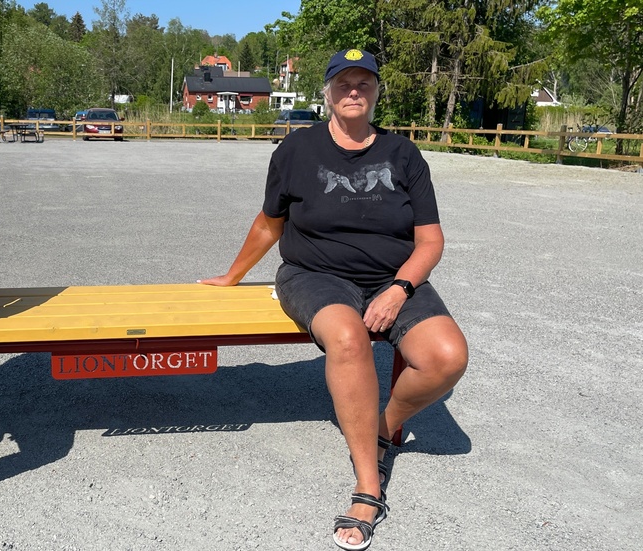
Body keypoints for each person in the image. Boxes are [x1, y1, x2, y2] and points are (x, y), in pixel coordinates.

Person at [200, 49, 467, 551]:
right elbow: (269, 223)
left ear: (376, 92)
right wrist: (233, 276)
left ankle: (380, 429)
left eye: (364, 83)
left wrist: (399, 288)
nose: (354, 92)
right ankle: (368, 486)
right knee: (348, 338)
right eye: (343, 83)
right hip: (314, 275)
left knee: (447, 357)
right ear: (327, 93)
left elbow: (430, 241)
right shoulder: (296, 149)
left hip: (392, 278)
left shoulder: (403, 154)